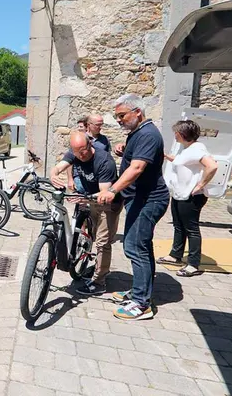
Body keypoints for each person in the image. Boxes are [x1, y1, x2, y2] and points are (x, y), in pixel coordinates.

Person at [97, 94, 170, 321]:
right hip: (140, 199)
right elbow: (135, 157)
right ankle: (139, 292)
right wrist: (124, 149)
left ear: (138, 112)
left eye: (121, 115)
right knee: (142, 247)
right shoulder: (139, 133)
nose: (118, 120)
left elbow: (137, 168)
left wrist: (112, 190)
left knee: (134, 247)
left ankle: (141, 304)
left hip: (148, 200)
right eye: (116, 116)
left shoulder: (148, 134)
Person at [50, 131, 123, 295]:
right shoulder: (74, 153)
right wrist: (53, 174)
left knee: (103, 242)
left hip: (108, 203)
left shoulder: (104, 161)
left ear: (90, 145)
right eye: (77, 152)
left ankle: (99, 282)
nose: (81, 155)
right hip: (90, 200)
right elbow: (60, 166)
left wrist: (85, 199)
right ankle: (85, 255)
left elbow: (105, 193)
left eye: (83, 151)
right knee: (91, 234)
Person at [158, 120, 218, 277]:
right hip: (179, 193)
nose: (174, 135)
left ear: (183, 134)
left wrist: (201, 184)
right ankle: (175, 255)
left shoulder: (197, 149)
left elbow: (212, 166)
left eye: (176, 132)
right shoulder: (187, 149)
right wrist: (166, 156)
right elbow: (182, 162)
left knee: (191, 229)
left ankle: (193, 264)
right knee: (179, 226)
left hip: (191, 196)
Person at [68, 114, 111, 193]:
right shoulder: (80, 139)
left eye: (101, 124)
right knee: (82, 200)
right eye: (98, 125)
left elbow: (107, 159)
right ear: (89, 125)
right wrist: (70, 179)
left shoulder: (104, 140)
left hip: (96, 178)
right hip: (80, 177)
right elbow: (69, 161)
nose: (100, 127)